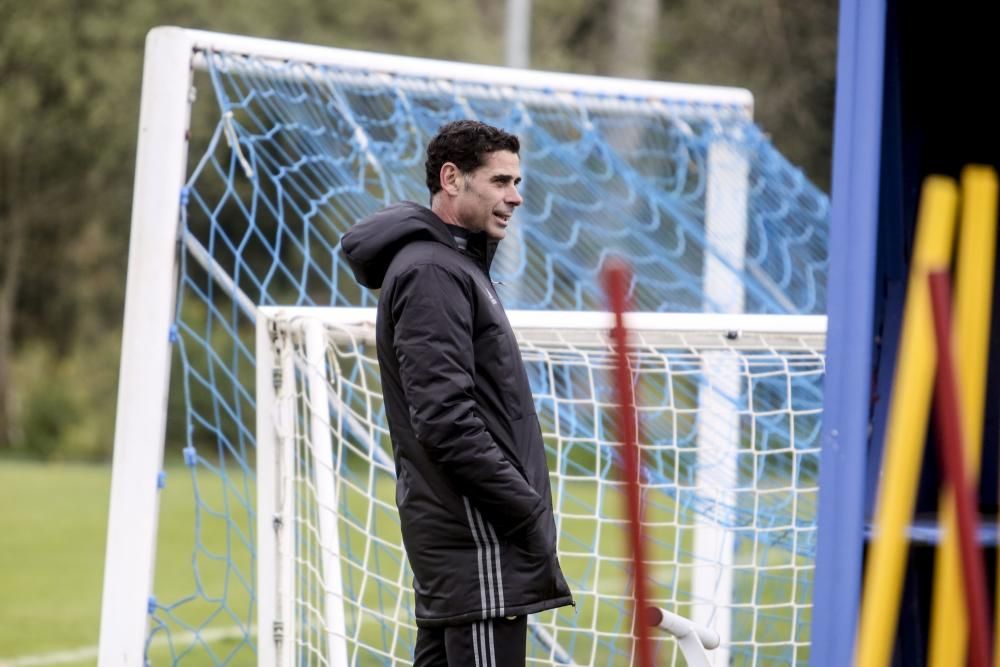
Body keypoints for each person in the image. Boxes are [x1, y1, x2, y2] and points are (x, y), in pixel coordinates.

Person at [340, 120, 573, 666]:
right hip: (479, 546)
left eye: (517, 183)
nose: (514, 197)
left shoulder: (453, 266)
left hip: (470, 550)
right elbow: (445, 420)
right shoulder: (431, 271)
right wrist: (523, 507)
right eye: (499, 181)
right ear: (452, 178)